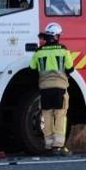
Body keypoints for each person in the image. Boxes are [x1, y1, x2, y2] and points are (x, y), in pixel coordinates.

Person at [29, 22, 75, 155]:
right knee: (60, 116)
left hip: (44, 89)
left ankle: (48, 146)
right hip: (60, 88)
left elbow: (32, 68)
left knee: (47, 116)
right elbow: (70, 69)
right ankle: (58, 146)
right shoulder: (63, 50)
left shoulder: (39, 52)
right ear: (57, 36)